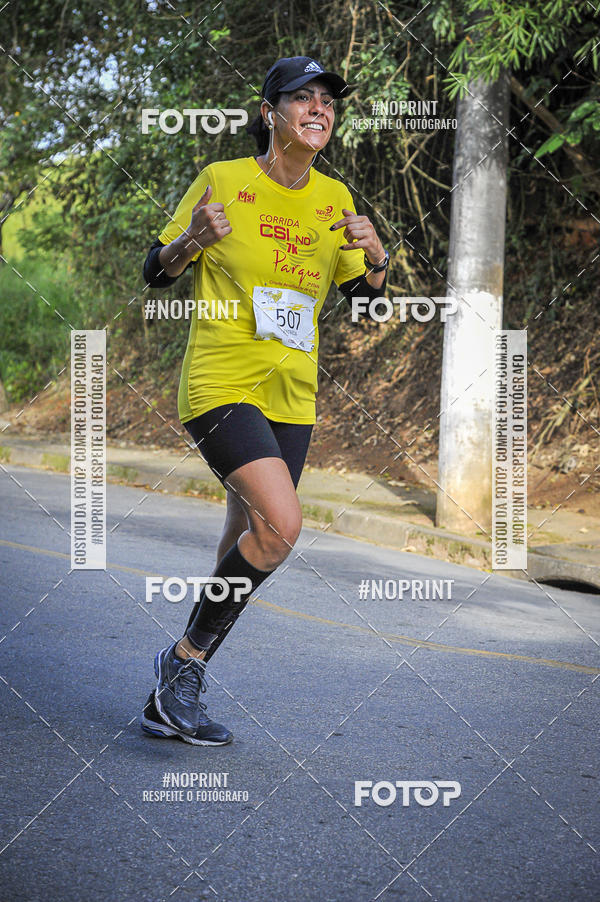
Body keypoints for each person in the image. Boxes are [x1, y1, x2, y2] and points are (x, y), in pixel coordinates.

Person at [140, 56, 389, 745]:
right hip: (221, 383)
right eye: (303, 98)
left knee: (246, 536)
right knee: (280, 527)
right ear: (269, 112)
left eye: (328, 102)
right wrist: (192, 240)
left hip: (292, 397)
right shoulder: (223, 179)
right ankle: (182, 663)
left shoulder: (334, 197)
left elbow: (366, 304)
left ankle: (171, 693)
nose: (319, 110)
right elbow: (155, 272)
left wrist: (377, 257)